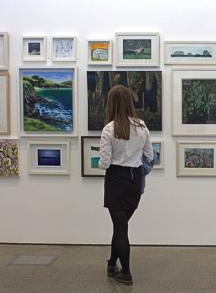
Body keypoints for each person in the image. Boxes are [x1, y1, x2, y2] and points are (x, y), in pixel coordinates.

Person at [99, 85, 154, 286]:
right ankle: (112, 264)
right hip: (135, 180)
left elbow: (104, 163)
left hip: (116, 179)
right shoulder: (141, 126)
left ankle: (127, 273)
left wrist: (102, 162)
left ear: (111, 104)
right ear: (130, 102)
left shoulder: (109, 129)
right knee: (120, 226)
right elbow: (150, 156)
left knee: (120, 228)